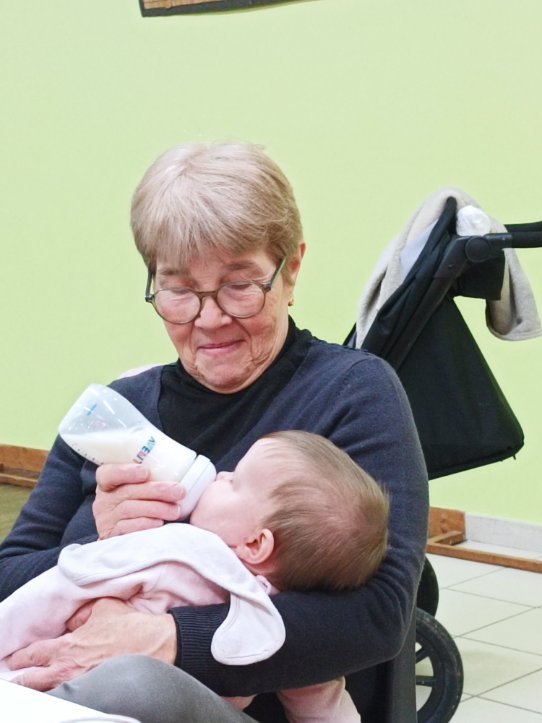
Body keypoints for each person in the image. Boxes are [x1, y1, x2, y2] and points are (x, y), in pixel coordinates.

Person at [0, 141, 428, 722]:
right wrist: (100, 546)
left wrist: (169, 638)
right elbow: (8, 578)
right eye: (179, 289)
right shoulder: (118, 413)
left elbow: (379, 617)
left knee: (135, 684)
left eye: (238, 284)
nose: (209, 317)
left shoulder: (352, 392)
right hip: (36, 689)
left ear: (290, 271)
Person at [1, 431, 389, 722]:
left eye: (234, 482)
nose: (220, 474)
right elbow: (322, 704)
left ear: (256, 543)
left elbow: (59, 588)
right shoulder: (274, 614)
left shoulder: (178, 548)